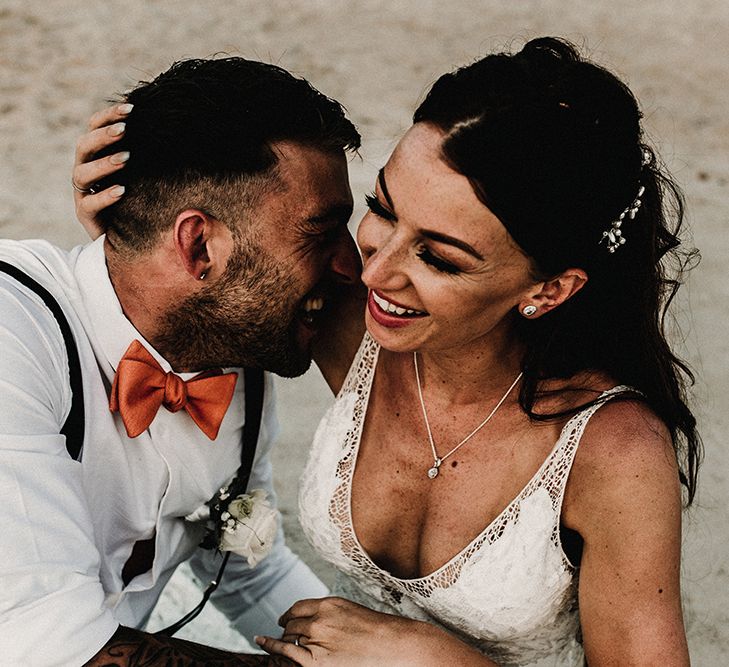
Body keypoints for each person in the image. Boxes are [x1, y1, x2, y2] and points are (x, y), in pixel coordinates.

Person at [74, 38, 700, 666]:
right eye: (382, 208)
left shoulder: (614, 453)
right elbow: (210, 272)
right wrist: (137, 219)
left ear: (550, 288)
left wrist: (446, 663)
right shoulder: (350, 318)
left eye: (439, 257)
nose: (374, 272)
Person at [0, 56, 363, 666]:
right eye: (320, 233)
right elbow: (52, 649)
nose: (353, 265)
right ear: (198, 244)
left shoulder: (238, 350)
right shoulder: (14, 332)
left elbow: (248, 568)